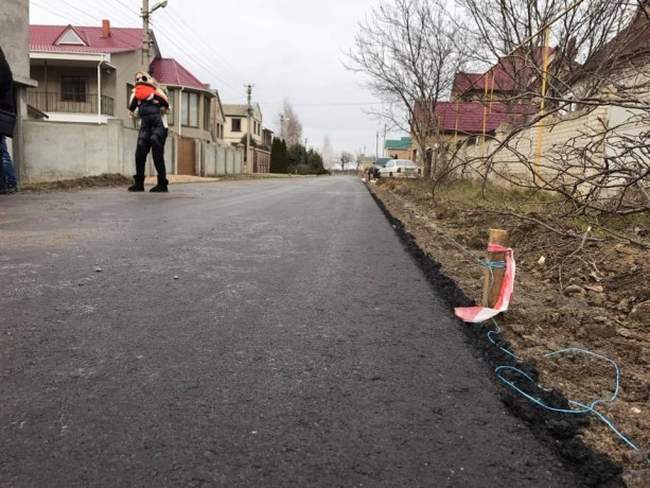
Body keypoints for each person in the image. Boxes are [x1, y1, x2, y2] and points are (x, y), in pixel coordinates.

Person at [127, 71, 170, 193]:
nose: (140, 79)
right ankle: (139, 183)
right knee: (140, 152)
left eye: (142, 77)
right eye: (137, 78)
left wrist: (157, 106)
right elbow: (133, 112)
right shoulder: (135, 94)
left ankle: (162, 184)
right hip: (145, 126)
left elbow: (168, 108)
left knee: (157, 152)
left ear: (149, 79)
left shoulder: (157, 91)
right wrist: (139, 110)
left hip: (160, 126)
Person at [0, 46, 17, 194]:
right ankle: (9, 183)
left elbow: (4, 83)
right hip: (4, 108)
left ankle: (9, 183)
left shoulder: (2, 70)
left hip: (2, 110)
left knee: (1, 150)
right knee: (2, 149)